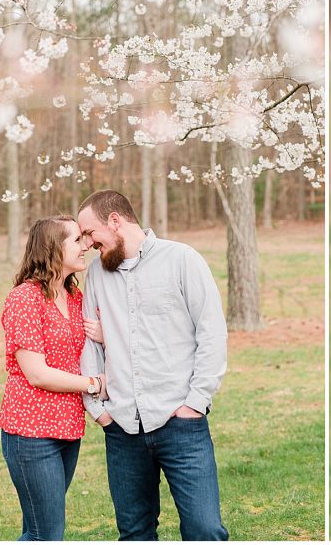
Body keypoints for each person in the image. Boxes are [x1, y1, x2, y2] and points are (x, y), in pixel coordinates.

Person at [78, 189, 229, 541]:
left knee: (205, 530)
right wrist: (99, 411)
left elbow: (211, 333)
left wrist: (195, 402)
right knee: (134, 533)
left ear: (115, 221)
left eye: (89, 233)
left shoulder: (182, 259)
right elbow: (89, 343)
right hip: (123, 429)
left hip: (181, 423)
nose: (86, 244)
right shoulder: (97, 276)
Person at [0, 216, 105, 541]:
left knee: (38, 529)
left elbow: (88, 348)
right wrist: (94, 384)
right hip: (31, 433)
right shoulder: (24, 299)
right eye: (76, 240)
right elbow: (37, 373)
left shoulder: (74, 297)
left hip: (68, 429)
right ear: (53, 248)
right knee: (47, 533)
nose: (85, 244)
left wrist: (104, 336)